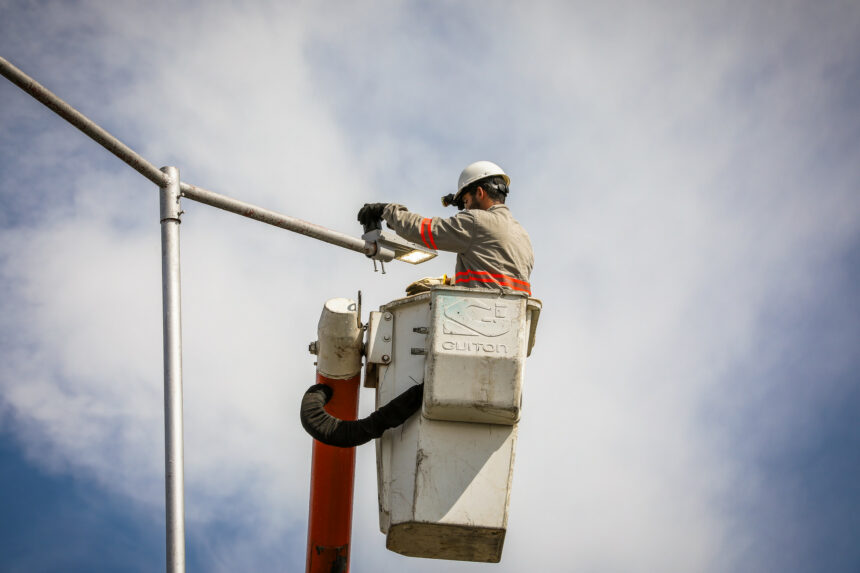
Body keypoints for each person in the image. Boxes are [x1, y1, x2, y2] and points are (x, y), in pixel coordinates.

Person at [357, 161, 534, 296]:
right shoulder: (522, 236)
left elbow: (425, 231)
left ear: (480, 192)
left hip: (477, 325)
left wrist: (387, 211)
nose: (466, 209)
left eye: (465, 201)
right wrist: (448, 283)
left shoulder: (477, 221)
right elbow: (497, 279)